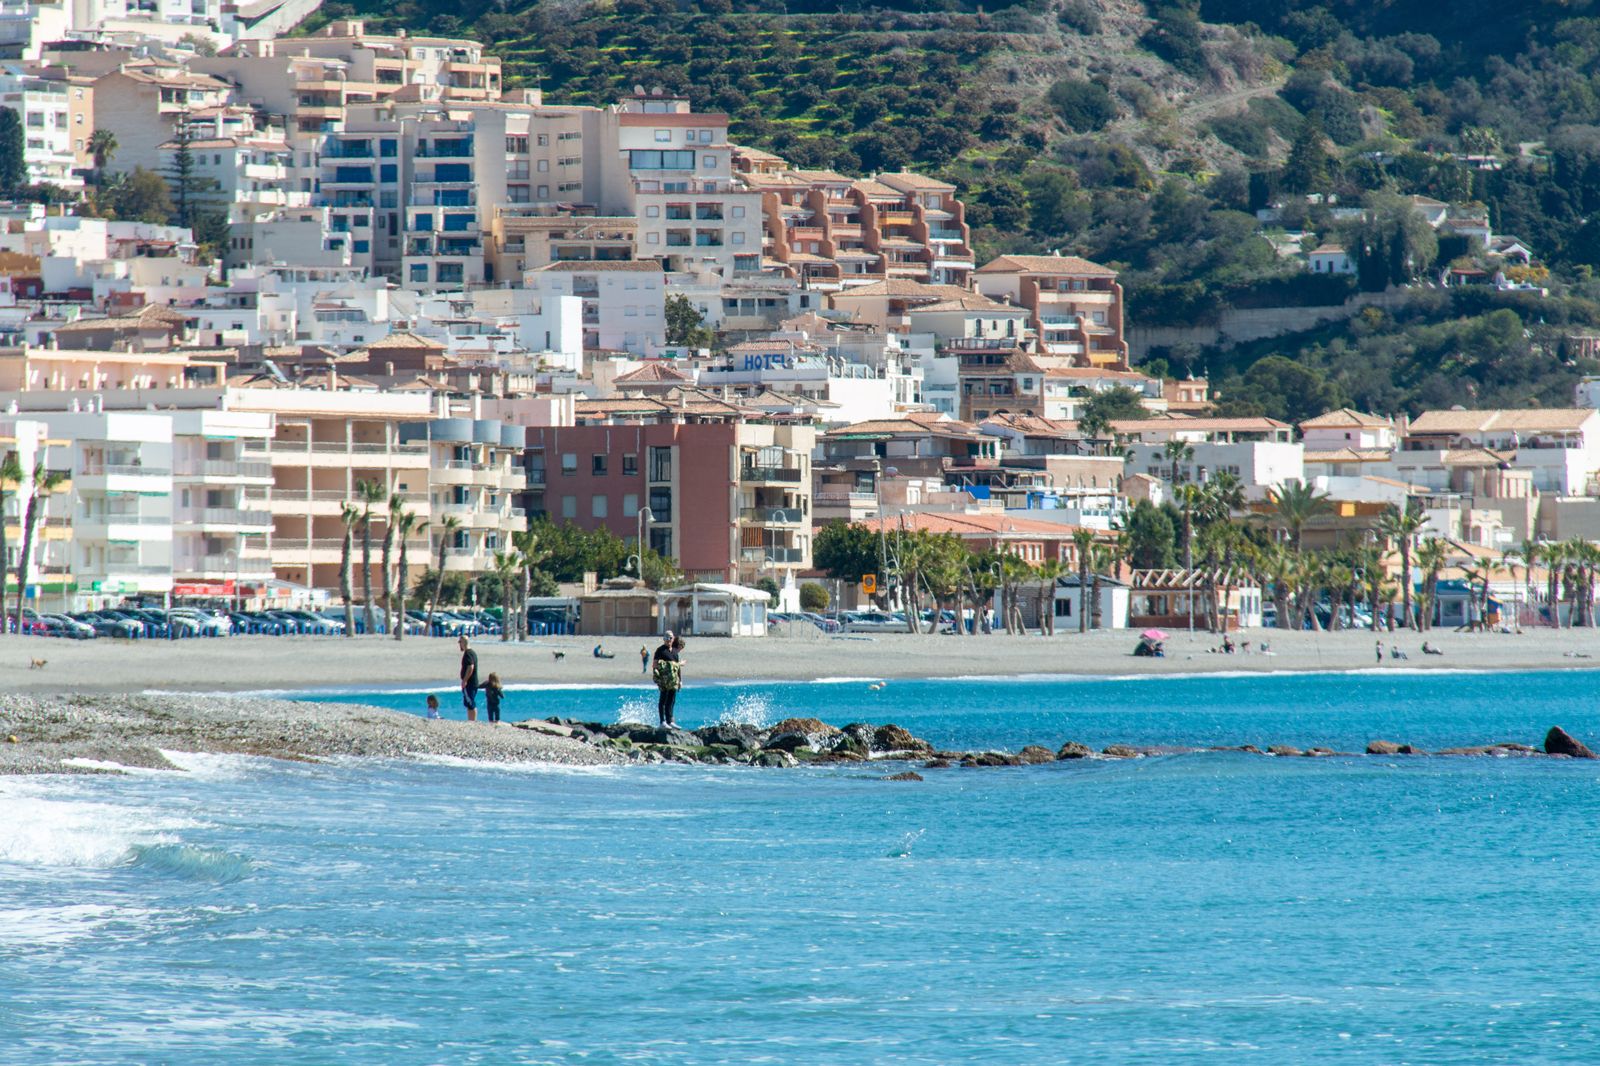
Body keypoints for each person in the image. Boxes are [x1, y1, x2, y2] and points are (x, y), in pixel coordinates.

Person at [651, 630, 681, 727]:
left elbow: (678, 667)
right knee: (663, 700)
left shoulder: (675, 651)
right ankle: (662, 722)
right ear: (664, 639)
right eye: (666, 638)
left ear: (673, 639)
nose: (668, 640)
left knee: (671, 700)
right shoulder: (660, 650)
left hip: (673, 680)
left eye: (670, 638)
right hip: (664, 680)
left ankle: (670, 721)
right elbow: (655, 664)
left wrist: (680, 680)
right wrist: (657, 676)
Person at [459, 635, 479, 722]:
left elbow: (470, 667)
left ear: (463, 643)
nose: (459, 645)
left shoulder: (468, 653)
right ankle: (471, 720)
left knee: (470, 702)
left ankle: (472, 721)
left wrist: (465, 680)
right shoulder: (471, 653)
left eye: (460, 642)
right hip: (472, 682)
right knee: (468, 702)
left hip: (470, 682)